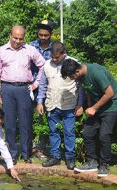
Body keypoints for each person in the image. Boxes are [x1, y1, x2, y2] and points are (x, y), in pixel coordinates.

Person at [0, 25, 46, 164]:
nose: (17, 41)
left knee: (25, 123)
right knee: (9, 124)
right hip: (7, 88)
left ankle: (26, 154)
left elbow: (43, 65)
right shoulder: (1, 51)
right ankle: (12, 155)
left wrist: (36, 84)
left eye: (20, 39)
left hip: (24, 89)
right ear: (10, 35)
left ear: (24, 38)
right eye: (15, 38)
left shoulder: (30, 50)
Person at [61, 59, 117, 177]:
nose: (73, 80)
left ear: (77, 71)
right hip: (98, 106)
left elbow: (110, 93)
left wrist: (94, 108)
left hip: (112, 105)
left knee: (104, 135)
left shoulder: (96, 72)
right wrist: (90, 107)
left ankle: (104, 164)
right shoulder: (81, 77)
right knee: (88, 133)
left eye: (72, 77)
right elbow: (89, 91)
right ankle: (92, 162)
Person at [36, 42, 84, 170]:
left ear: (64, 53)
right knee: (53, 132)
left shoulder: (73, 63)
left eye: (57, 57)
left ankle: (70, 158)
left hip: (69, 105)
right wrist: (40, 102)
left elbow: (80, 86)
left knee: (69, 132)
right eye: (52, 56)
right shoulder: (47, 65)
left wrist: (80, 104)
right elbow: (42, 85)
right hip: (52, 104)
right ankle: (55, 157)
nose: (54, 59)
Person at [30, 20, 55, 160]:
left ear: (51, 34)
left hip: (47, 89)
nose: (43, 38)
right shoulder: (31, 46)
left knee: (43, 119)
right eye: (40, 35)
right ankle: (30, 146)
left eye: (46, 35)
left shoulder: (55, 48)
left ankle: (41, 148)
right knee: (28, 117)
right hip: (31, 87)